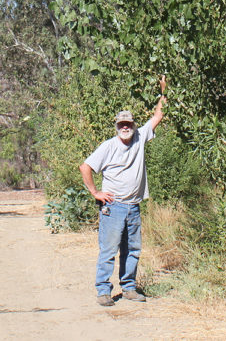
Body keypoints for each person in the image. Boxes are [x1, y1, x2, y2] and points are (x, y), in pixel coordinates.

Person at [79, 75, 167, 306]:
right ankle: (103, 291)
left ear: (133, 125)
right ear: (117, 126)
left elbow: (158, 115)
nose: (125, 127)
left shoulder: (139, 137)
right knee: (108, 251)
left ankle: (128, 288)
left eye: (128, 124)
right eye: (121, 124)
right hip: (113, 207)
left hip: (134, 208)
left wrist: (163, 90)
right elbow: (85, 167)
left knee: (133, 250)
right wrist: (95, 192)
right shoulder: (108, 146)